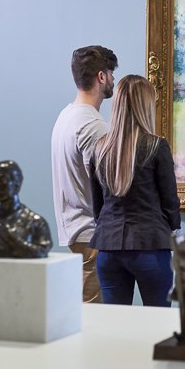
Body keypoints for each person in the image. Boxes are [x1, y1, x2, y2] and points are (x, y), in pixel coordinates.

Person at [90, 75, 181, 306]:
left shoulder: (100, 148)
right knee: (159, 325)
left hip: (108, 249)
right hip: (149, 246)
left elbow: (97, 206)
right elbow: (170, 202)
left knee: (115, 328)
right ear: (146, 106)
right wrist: (170, 227)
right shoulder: (156, 146)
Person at [51, 45, 116, 303]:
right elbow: (109, 184)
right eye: (111, 73)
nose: (113, 79)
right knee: (94, 315)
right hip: (92, 232)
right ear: (101, 77)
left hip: (75, 227)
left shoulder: (66, 116)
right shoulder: (92, 125)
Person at [0, 160, 53, 258]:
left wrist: (11, 239)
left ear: (17, 184)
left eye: (1, 179)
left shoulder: (36, 223)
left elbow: (40, 251)